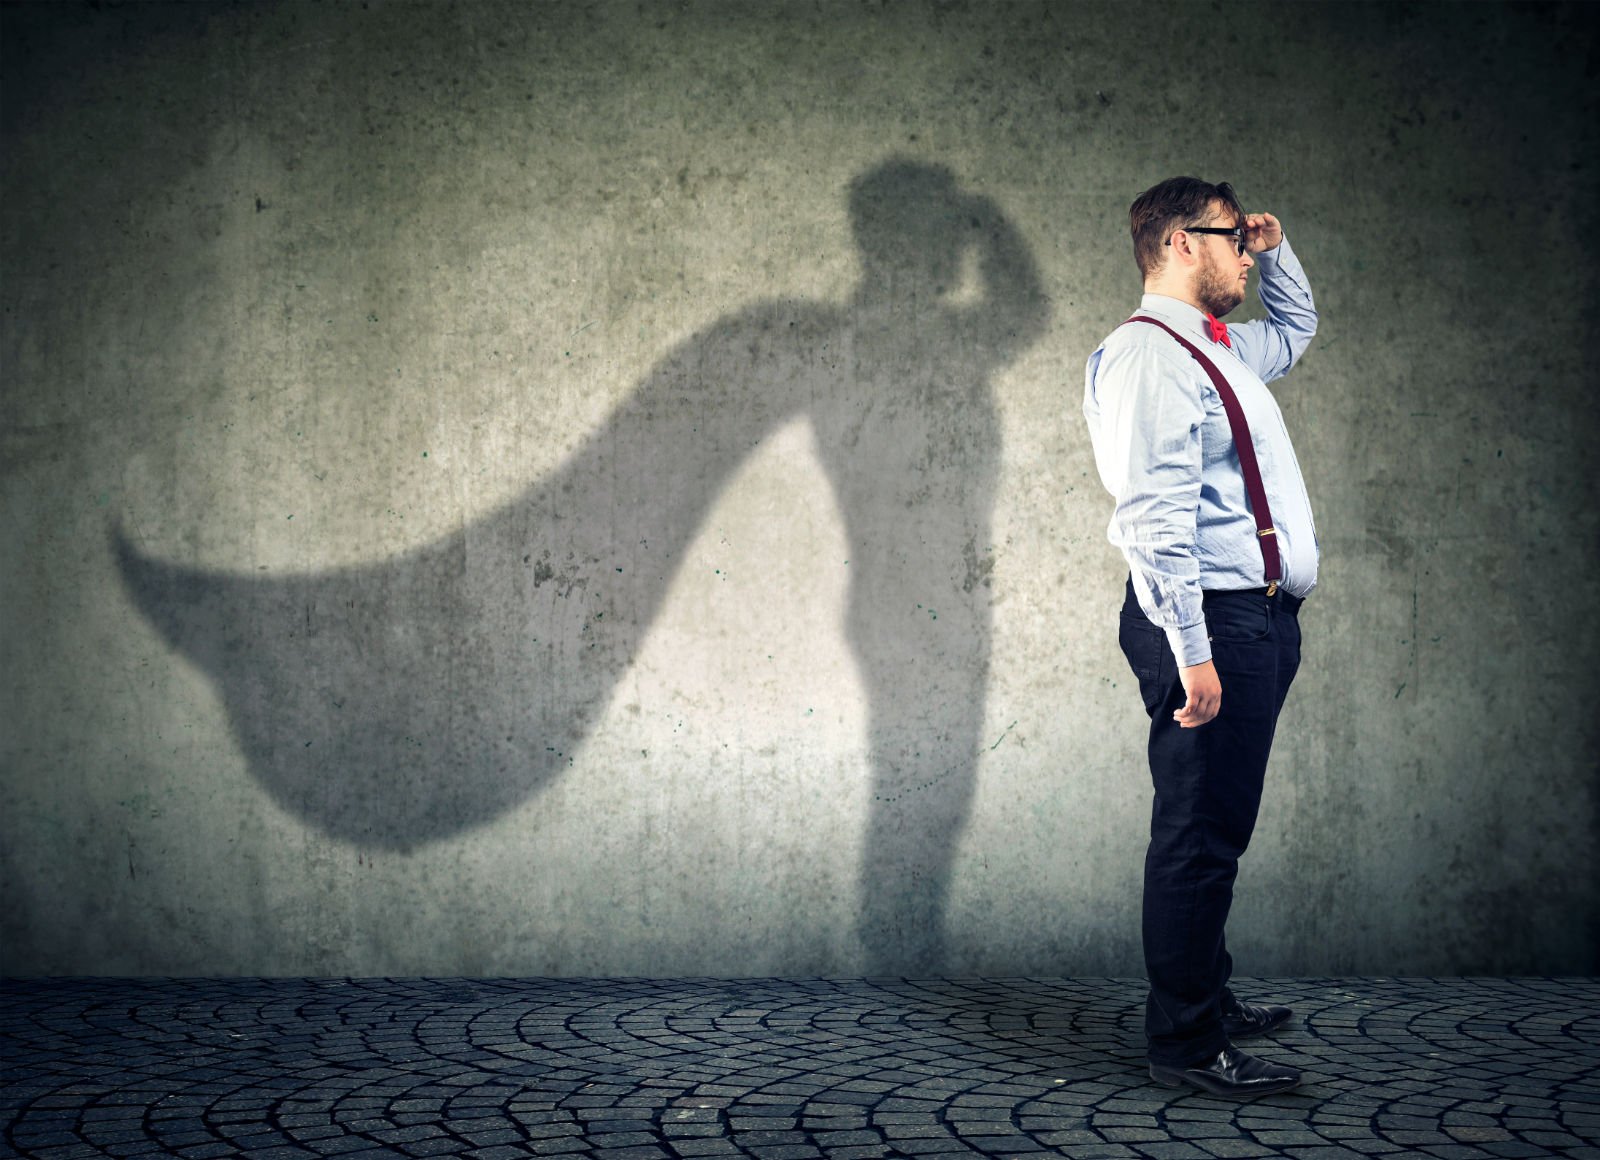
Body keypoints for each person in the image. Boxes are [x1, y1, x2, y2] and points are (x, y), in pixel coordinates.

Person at [1082, 176, 1319, 1097]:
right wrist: (1193, 652)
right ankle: (1183, 1043)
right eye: (1233, 239)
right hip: (1209, 619)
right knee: (1198, 833)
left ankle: (1205, 998)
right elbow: (1153, 520)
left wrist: (1278, 242)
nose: (1246, 255)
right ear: (1183, 243)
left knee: (1219, 821)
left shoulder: (1217, 348)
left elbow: (1294, 333)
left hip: (1251, 617)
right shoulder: (1152, 359)